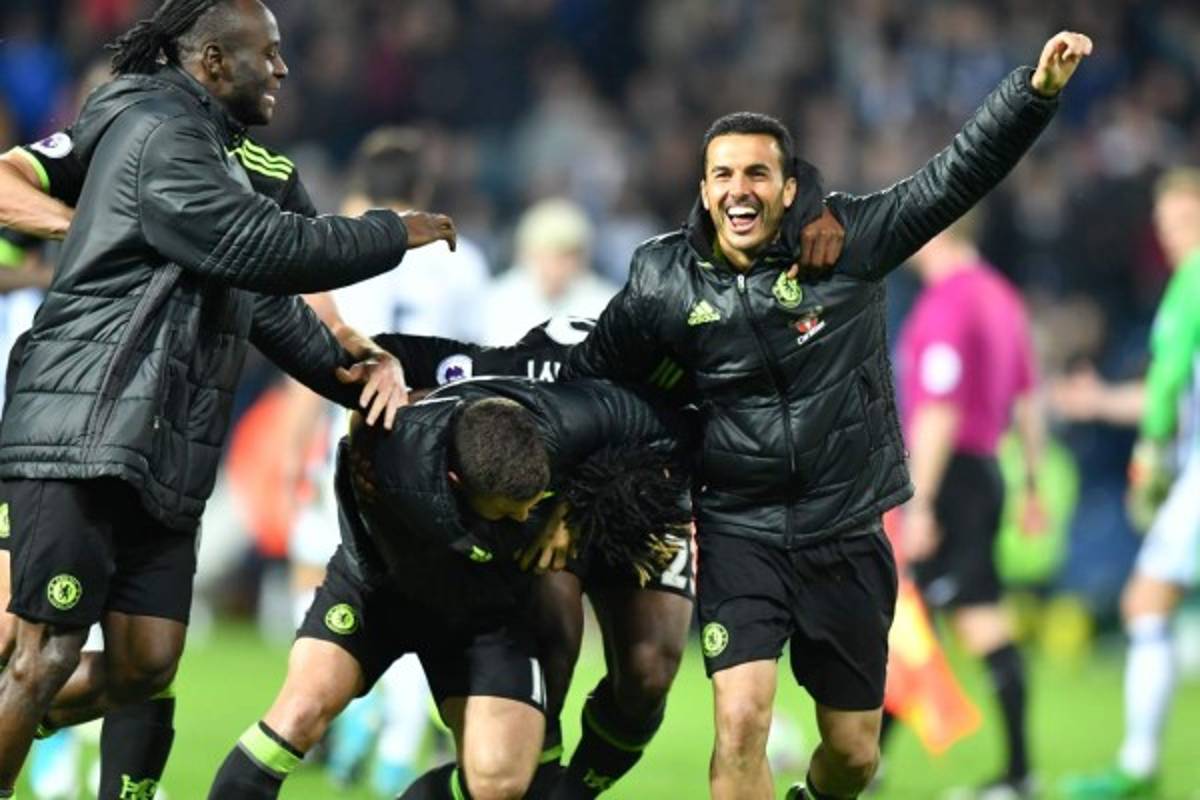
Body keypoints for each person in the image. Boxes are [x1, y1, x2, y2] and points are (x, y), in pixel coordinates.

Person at [562, 31, 1092, 800]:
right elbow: (591, 376)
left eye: (756, 173)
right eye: (722, 175)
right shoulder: (662, 280)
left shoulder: (848, 244)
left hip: (844, 528)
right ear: (704, 190)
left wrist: (1033, 94)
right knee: (740, 719)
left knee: (853, 756)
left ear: (788, 189)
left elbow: (952, 178)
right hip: (739, 529)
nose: (738, 189)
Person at [0, 0, 456, 793]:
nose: (283, 67)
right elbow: (267, 244)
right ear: (213, 61)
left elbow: (274, 293)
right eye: (267, 53)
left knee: (147, 665)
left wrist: (355, 369)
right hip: (85, 426)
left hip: (168, 444)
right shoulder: (150, 124)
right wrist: (393, 231)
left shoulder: (256, 170)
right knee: (43, 653)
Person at [207, 377, 692, 800]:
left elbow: (666, 424)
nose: (526, 516)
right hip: (380, 592)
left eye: (533, 502)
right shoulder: (398, 454)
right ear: (458, 482)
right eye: (509, 511)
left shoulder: (565, 419)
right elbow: (359, 416)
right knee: (298, 714)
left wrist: (572, 508)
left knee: (501, 782)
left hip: (488, 609)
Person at [892, 212, 1045, 798]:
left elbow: (940, 409)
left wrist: (921, 503)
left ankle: (1018, 775)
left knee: (954, 620)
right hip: (984, 471)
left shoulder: (948, 303)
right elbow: (1029, 397)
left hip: (950, 477)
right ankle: (864, 763)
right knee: (915, 622)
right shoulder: (1001, 297)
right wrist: (1031, 483)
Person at [1059, 167, 1200, 800]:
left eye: (1186, 220)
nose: (1174, 236)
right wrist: (1100, 401)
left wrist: (1150, 459)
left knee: (1146, 601)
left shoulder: (1192, 282)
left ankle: (1139, 766)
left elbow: (1166, 386)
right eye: (1166, 224)